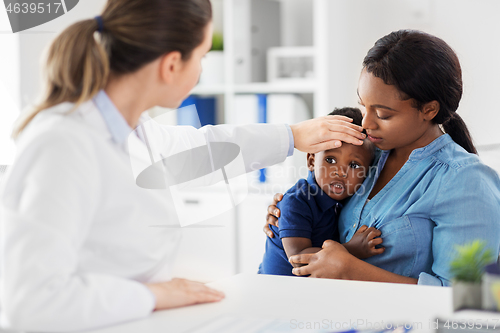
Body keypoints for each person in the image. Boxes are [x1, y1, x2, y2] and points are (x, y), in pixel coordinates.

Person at [0, 1, 368, 332]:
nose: (202, 68)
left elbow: (205, 148)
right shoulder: (64, 143)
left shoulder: (134, 131)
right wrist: (155, 294)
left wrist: (292, 135)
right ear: (172, 64)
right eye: (202, 56)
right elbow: (31, 303)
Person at [264, 29, 500, 286]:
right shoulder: (366, 156)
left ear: (429, 110)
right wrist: (289, 212)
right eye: (364, 106)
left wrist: (351, 269)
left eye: (383, 115)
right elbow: (319, 195)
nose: (366, 123)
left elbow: (470, 301)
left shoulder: (465, 181)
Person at [258, 107, 382, 276]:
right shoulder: (297, 201)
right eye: (330, 160)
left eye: (354, 165)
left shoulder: (345, 200)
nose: (340, 172)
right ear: (311, 161)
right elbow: (298, 258)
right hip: (276, 290)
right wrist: (351, 250)